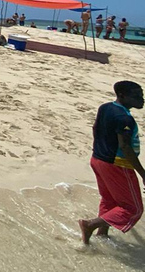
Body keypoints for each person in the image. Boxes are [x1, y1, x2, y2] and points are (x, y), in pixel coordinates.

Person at [78, 81, 144, 245]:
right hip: (117, 165)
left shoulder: (106, 107)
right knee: (133, 209)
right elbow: (125, 147)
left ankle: (102, 233)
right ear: (122, 95)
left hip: (98, 159)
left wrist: (101, 150)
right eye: (137, 96)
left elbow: (95, 128)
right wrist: (143, 174)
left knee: (110, 200)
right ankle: (90, 225)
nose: (142, 99)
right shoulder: (125, 119)